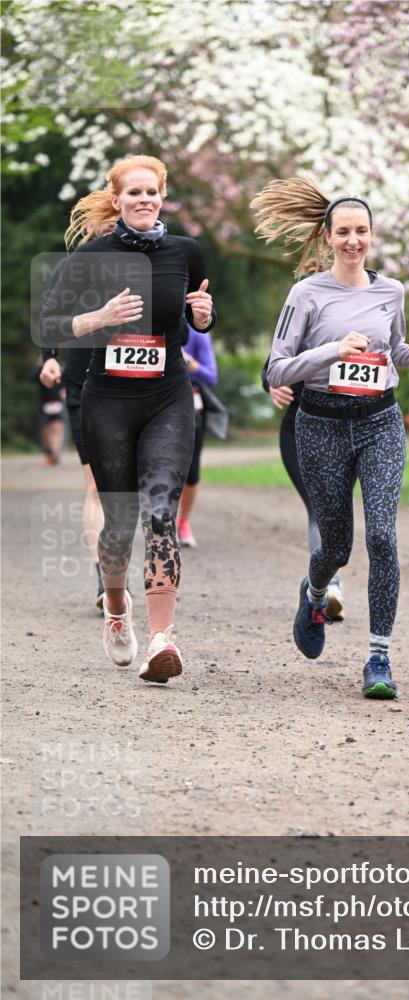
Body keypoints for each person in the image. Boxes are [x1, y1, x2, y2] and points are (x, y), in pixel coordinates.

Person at [251, 176, 409, 699]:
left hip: (380, 422)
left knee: (382, 536)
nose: (353, 241)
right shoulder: (306, 293)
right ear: (327, 237)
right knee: (336, 544)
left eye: (362, 232)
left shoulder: (391, 291)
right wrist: (333, 351)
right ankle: (313, 594)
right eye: (344, 232)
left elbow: (392, 350)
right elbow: (277, 369)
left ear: (372, 235)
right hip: (321, 424)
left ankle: (379, 659)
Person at [39, 154, 215, 683]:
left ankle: (162, 638)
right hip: (107, 400)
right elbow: (49, 322)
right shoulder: (89, 257)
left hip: (167, 396)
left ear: (162, 197)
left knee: (161, 509)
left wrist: (202, 317)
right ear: (116, 200)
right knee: (118, 524)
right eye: (133, 193)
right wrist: (99, 318)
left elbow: (197, 310)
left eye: (152, 192)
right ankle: (118, 610)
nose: (144, 200)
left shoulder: (186, 251)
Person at [39, 213, 116, 611]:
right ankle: (106, 578)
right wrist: (49, 358)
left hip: (139, 387)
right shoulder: (75, 266)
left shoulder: (153, 262)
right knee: (97, 487)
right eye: (105, 227)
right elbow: (50, 317)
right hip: (83, 382)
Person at [261, 358, 344, 620]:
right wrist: (271, 384)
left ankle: (322, 589)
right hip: (298, 428)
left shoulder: (366, 321)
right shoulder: (302, 315)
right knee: (319, 506)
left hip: (347, 430)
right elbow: (271, 365)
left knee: (336, 508)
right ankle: (329, 588)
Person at [177, 324, 219, 549]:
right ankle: (160, 522)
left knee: (191, 474)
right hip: (155, 401)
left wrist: (186, 360)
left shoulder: (197, 332)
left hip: (191, 405)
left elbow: (211, 376)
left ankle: (183, 521)